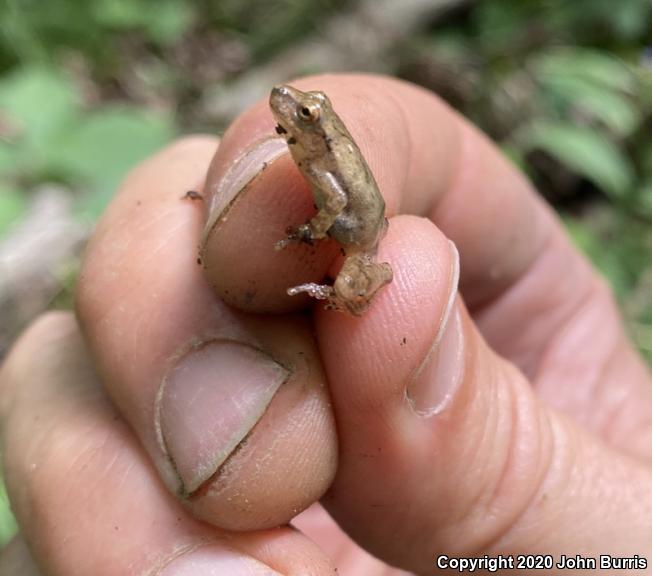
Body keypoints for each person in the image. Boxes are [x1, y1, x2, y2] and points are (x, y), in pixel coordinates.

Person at [1, 74, 651, 576]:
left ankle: (337, 297)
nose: (290, 108)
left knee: (349, 289)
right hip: (354, 241)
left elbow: (339, 206)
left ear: (318, 127)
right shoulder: (305, 150)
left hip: (365, 248)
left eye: (307, 112)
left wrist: (306, 239)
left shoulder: (319, 153)